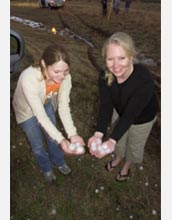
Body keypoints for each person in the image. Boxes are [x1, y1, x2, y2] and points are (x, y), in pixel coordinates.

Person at [88, 32, 158, 182]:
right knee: (119, 141)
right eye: (110, 59)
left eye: (122, 58)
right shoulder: (105, 77)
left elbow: (131, 114)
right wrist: (98, 134)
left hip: (142, 118)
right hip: (119, 111)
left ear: (131, 57)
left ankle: (126, 166)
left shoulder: (143, 79)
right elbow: (106, 106)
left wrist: (110, 141)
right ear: (105, 60)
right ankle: (118, 158)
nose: (116, 65)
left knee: (133, 146)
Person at [12, 44, 85, 182]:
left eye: (65, 71)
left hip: (45, 103)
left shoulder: (66, 78)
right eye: (56, 72)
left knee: (53, 138)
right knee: (37, 145)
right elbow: (41, 117)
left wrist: (72, 134)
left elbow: (63, 106)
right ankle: (46, 168)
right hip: (25, 111)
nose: (61, 77)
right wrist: (62, 139)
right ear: (44, 64)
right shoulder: (29, 78)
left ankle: (58, 161)